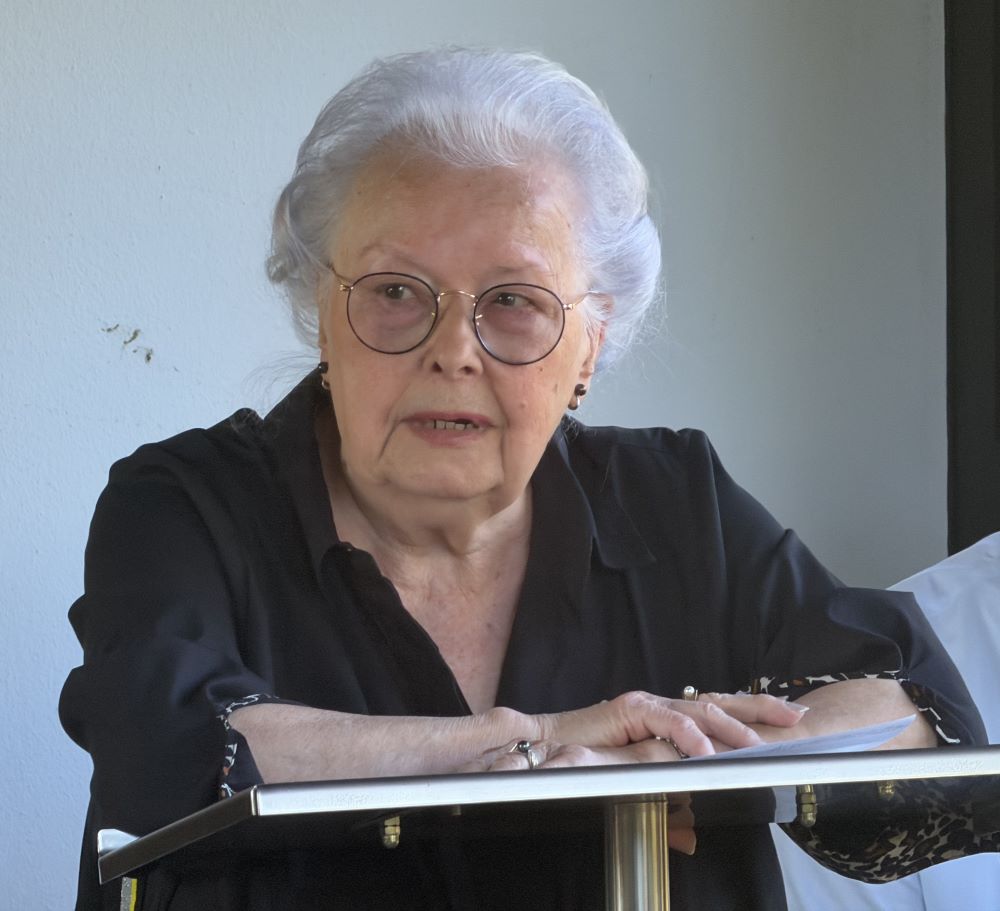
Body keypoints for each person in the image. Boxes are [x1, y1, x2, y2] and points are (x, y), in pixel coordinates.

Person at [60, 47, 990, 910]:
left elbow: (921, 713)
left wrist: (682, 761)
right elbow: (170, 749)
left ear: (591, 342)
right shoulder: (184, 505)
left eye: (513, 301)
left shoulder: (673, 500)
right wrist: (542, 743)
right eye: (395, 291)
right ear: (319, 308)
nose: (452, 351)